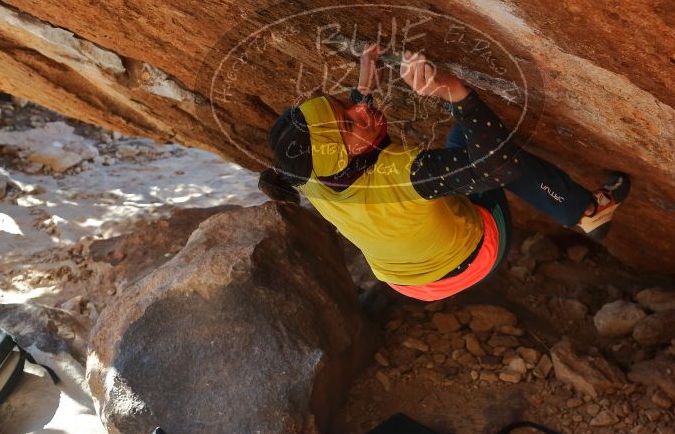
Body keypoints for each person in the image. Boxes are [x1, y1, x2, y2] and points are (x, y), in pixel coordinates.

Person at [259, 45, 629, 301]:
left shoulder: (308, 173)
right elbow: (497, 165)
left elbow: (345, 128)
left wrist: (366, 77)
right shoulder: (403, 177)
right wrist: (454, 91)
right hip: (471, 261)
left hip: (407, 283)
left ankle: (583, 212)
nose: (358, 110)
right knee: (481, 143)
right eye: (348, 120)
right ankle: (587, 212)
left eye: (341, 103)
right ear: (345, 152)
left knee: (471, 151)